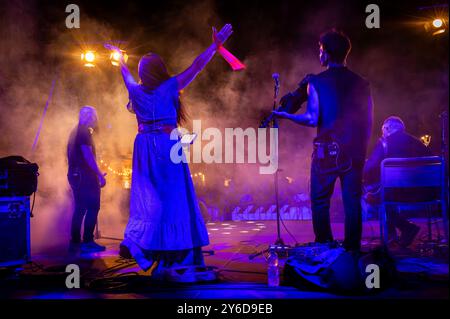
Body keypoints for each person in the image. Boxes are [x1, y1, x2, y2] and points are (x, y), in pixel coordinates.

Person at [109, 25, 233, 281]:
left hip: (145, 147)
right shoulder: (169, 87)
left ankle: (150, 249)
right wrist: (215, 46)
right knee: (174, 200)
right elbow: (197, 66)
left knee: (149, 201)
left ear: (144, 72)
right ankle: (177, 254)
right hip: (166, 146)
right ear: (160, 69)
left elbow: (124, 72)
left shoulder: (136, 90)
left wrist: (120, 57)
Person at [273, 29, 373, 251]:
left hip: (326, 153)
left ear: (326, 54)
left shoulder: (316, 81)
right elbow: (368, 121)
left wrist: (285, 115)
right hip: (354, 154)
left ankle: (325, 247)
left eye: (320, 50)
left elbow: (311, 118)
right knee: (352, 202)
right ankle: (352, 251)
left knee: (320, 202)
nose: (319, 54)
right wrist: (361, 152)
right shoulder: (362, 83)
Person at [363, 116, 432, 247]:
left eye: (383, 129)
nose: (383, 132)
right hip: (426, 194)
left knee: (373, 195)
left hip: (398, 193)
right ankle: (396, 233)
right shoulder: (419, 143)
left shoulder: (385, 143)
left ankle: (401, 230)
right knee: (385, 191)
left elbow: (369, 167)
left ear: (387, 128)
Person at [67, 106, 107, 253]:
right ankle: (88, 241)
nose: (95, 121)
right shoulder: (84, 132)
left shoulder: (74, 131)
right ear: (90, 117)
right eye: (94, 117)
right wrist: (99, 174)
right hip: (85, 176)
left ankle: (76, 242)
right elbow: (87, 155)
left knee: (80, 208)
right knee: (93, 206)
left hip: (76, 175)